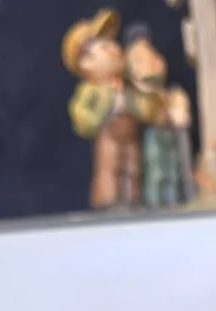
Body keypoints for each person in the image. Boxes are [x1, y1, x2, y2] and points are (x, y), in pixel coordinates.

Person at [63, 9, 141, 209]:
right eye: (105, 46)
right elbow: (80, 115)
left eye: (112, 42)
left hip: (129, 131)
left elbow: (140, 105)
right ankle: (109, 201)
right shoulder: (91, 90)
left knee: (131, 165)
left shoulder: (125, 84)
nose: (115, 49)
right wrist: (98, 116)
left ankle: (132, 199)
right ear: (86, 62)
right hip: (109, 132)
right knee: (110, 167)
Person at [123, 23, 194, 209]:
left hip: (168, 128)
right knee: (157, 171)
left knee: (174, 168)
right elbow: (144, 76)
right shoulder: (134, 56)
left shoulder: (151, 56)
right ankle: (156, 205)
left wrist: (175, 106)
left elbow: (157, 69)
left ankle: (175, 201)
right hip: (153, 130)